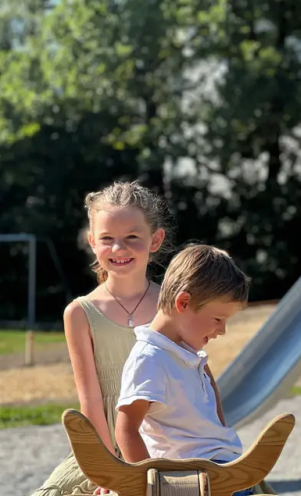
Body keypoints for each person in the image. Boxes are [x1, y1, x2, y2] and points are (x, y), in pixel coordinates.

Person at [31, 181, 173, 496]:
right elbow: (92, 400)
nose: (119, 249)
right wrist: (110, 470)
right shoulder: (80, 313)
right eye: (107, 239)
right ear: (92, 241)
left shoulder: (173, 305)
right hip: (105, 444)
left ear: (156, 239)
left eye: (132, 238)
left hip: (168, 439)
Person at [114, 244, 257, 496]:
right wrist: (146, 486)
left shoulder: (187, 353)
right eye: (217, 319)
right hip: (192, 477)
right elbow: (126, 429)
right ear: (184, 302)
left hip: (220, 467)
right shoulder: (150, 359)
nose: (222, 330)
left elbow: (215, 417)